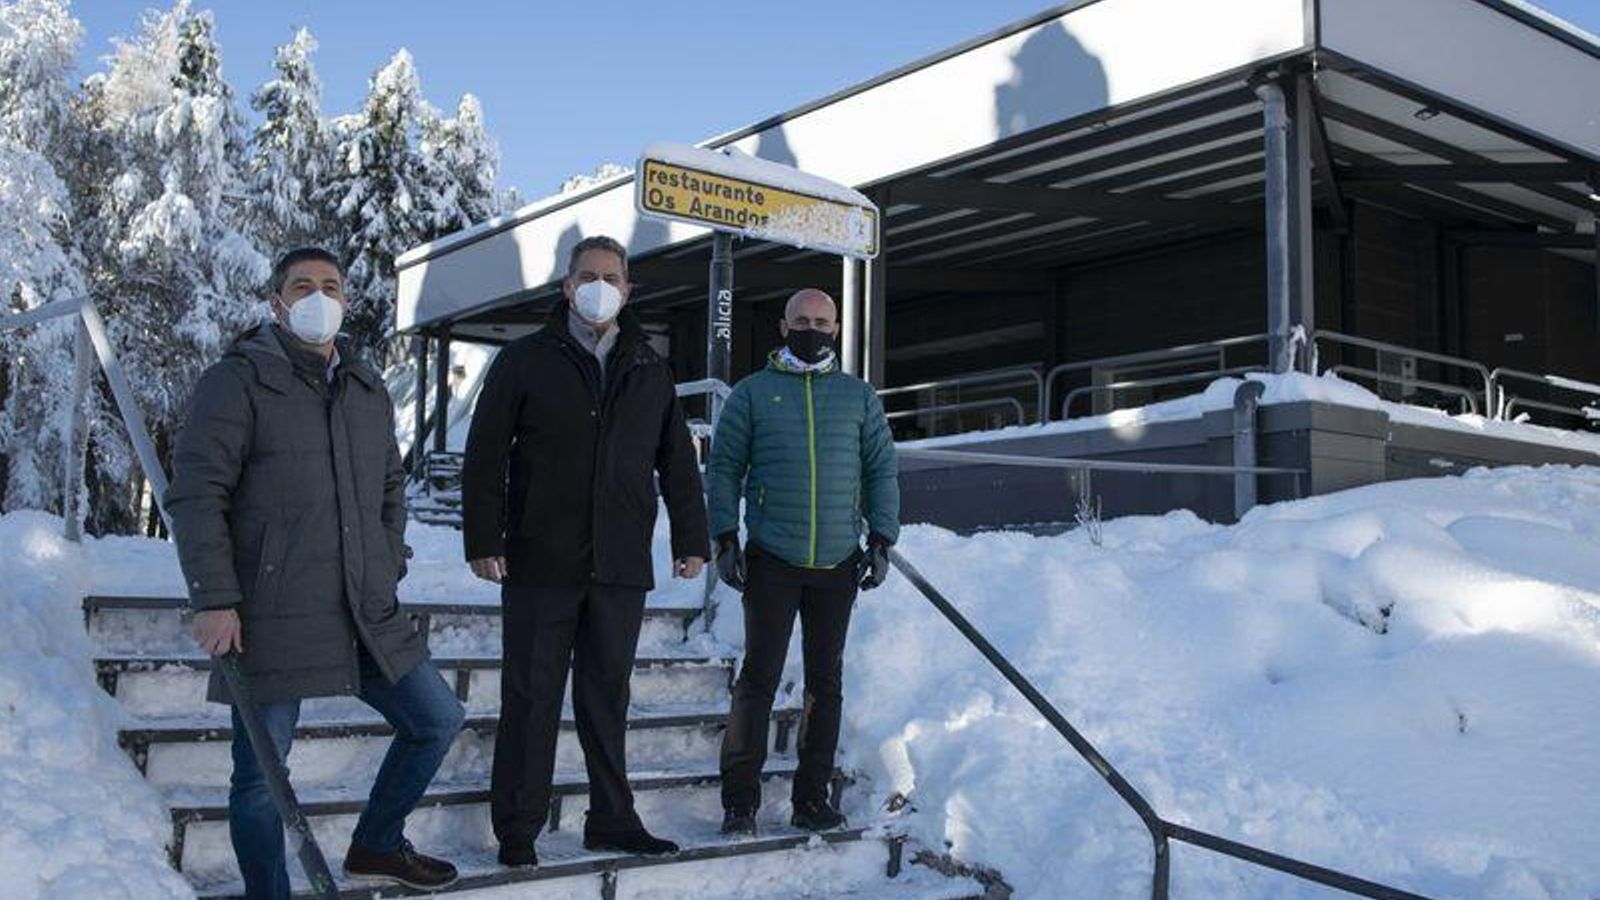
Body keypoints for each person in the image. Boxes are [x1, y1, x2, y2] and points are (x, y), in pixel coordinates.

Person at [166, 247, 465, 898]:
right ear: (275, 302)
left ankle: (377, 843)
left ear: (346, 300)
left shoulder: (364, 385)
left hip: (363, 605)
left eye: (331, 286)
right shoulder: (237, 380)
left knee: (436, 718)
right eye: (302, 286)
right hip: (273, 610)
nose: (318, 297)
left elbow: (390, 484)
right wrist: (214, 598)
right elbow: (196, 494)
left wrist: (387, 557)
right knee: (261, 776)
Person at [461, 234, 710, 867]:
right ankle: (518, 828)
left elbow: (677, 462)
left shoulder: (649, 367)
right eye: (588, 276)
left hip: (620, 563)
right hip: (540, 559)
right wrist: (484, 538)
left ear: (628, 289)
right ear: (567, 286)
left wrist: (691, 536)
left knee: (607, 698)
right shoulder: (525, 359)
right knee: (531, 695)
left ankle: (612, 820)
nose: (600, 286)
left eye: (611, 277)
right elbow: (485, 453)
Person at [706, 288, 899, 837]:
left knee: (825, 684)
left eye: (821, 321)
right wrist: (725, 535)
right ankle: (739, 802)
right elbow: (724, 468)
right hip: (773, 557)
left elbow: (881, 469)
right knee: (759, 678)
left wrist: (881, 538)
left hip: (838, 561)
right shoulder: (752, 393)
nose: (812, 329)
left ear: (836, 328)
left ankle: (811, 800)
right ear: (783, 326)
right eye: (802, 321)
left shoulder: (858, 397)